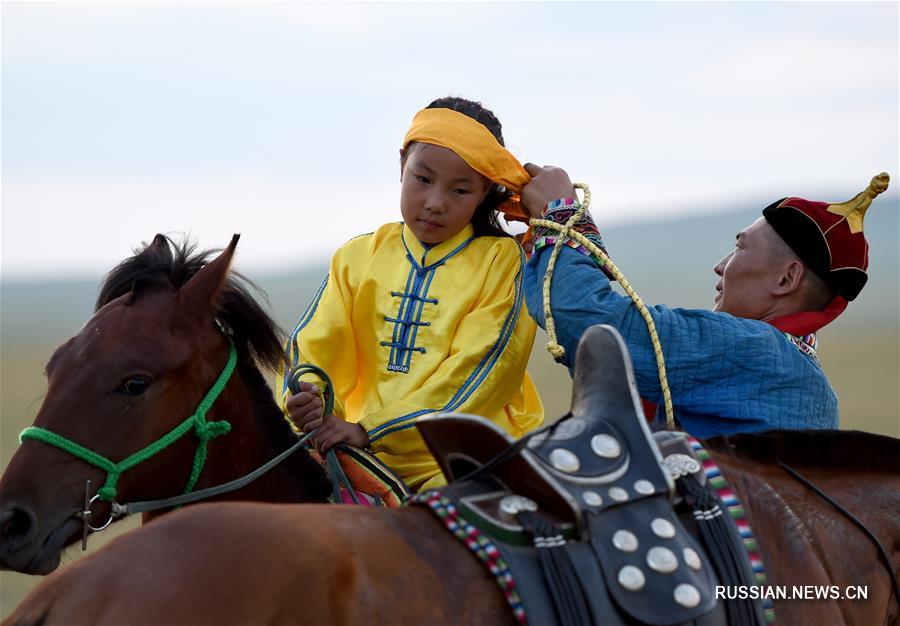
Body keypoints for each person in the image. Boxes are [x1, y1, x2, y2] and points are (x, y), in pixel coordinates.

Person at [278, 97, 544, 492]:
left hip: (465, 460)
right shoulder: (358, 256)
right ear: (402, 164)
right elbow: (317, 347)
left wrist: (371, 430)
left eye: (460, 190)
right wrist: (309, 399)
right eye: (422, 179)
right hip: (355, 450)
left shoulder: (504, 263)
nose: (435, 203)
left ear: (484, 192)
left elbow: (481, 376)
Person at [518, 165, 889, 437]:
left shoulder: (754, 350)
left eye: (739, 247)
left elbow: (591, 323)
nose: (720, 266)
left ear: (786, 279)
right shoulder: (809, 382)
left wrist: (563, 215)